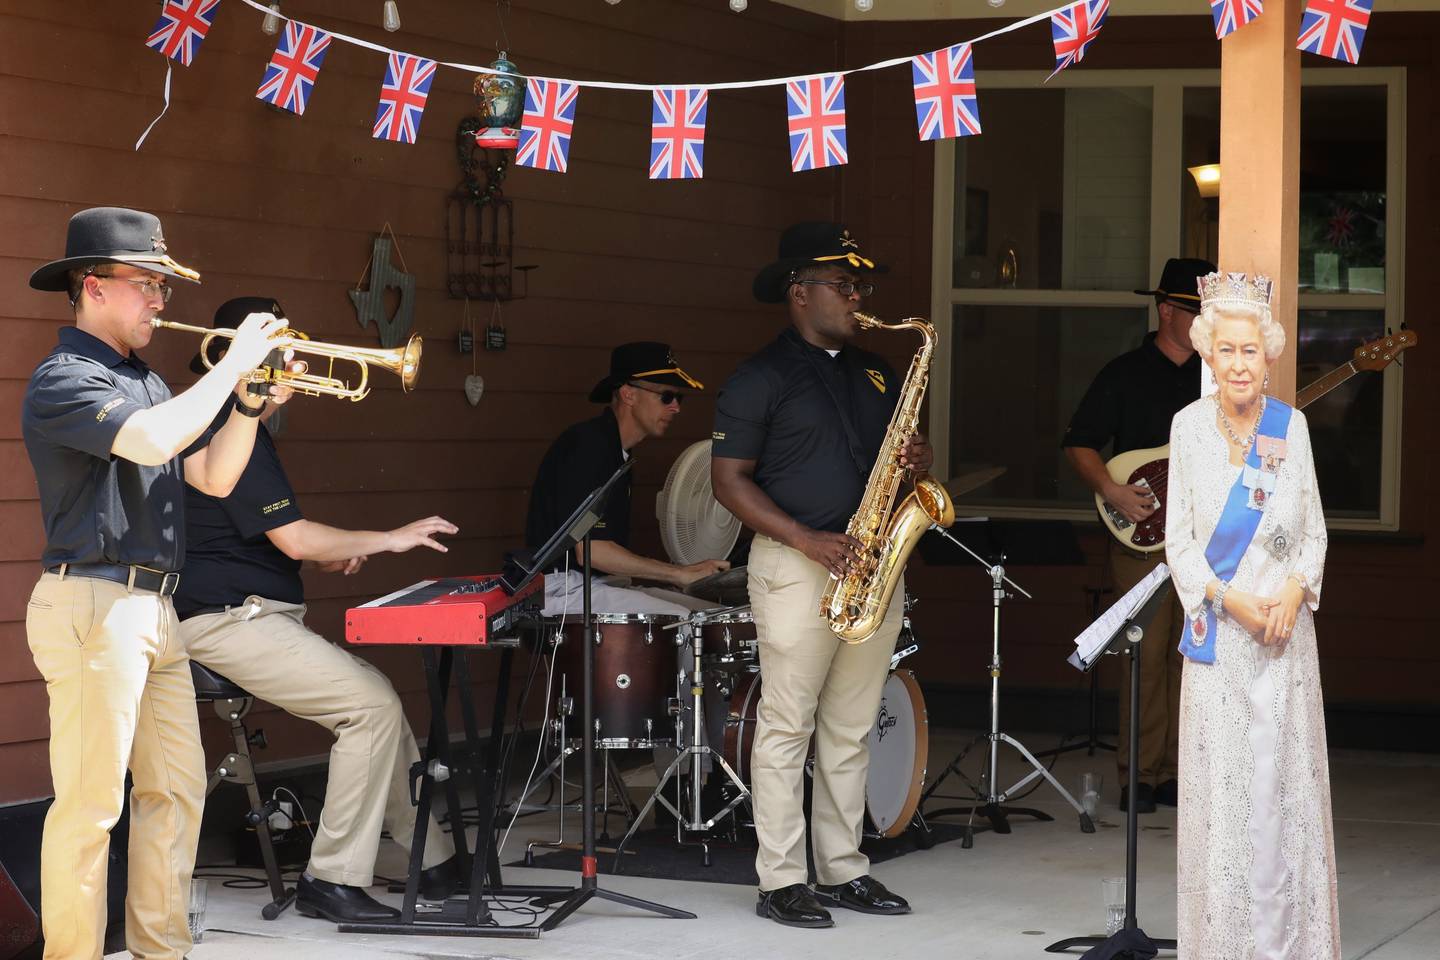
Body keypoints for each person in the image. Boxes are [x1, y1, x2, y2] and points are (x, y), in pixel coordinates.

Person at [22, 207, 289, 960]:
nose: (161, 302)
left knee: (176, 791)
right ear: (93, 286)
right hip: (94, 602)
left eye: (164, 288)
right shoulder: (64, 379)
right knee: (90, 806)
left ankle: (159, 949)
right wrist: (232, 364)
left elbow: (209, 473)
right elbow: (149, 439)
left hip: (154, 608)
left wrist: (245, 405)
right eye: (149, 285)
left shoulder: (145, 379)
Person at [173, 297, 462, 924]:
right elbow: (298, 539)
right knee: (370, 706)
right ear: (242, 354)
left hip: (250, 608)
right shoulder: (227, 422)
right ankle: (330, 880)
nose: (299, 361)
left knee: (377, 698)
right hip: (227, 618)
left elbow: (271, 539)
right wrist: (388, 538)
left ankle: (431, 860)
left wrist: (336, 552)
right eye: (285, 347)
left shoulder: (234, 424)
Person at [711, 221, 930, 928]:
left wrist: (911, 467)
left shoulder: (876, 372)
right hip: (796, 563)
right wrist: (805, 537)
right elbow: (727, 481)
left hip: (871, 562)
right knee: (787, 725)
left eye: (861, 286)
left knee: (851, 724)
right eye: (844, 285)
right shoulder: (758, 377)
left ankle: (842, 869)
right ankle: (780, 879)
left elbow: (886, 463)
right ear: (798, 293)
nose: (858, 297)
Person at [1165, 270, 1339, 957]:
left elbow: (1316, 532)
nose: (1239, 363)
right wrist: (1229, 597)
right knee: (1226, 804)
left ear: (1268, 356)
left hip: (1285, 642)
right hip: (1221, 641)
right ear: (1208, 353)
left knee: (1283, 796)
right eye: (1226, 350)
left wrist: (1293, 597)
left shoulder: (1288, 428)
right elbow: (1178, 539)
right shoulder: (1186, 430)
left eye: (1250, 350)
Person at [1061, 256, 1215, 813]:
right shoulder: (1124, 373)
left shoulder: (1218, 375)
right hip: (1141, 536)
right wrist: (1112, 489)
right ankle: (1140, 775)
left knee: (1193, 657)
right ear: (1167, 309)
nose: (1205, 322)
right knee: (1145, 655)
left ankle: (1180, 772)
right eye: (1196, 310)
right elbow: (1080, 442)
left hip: (1205, 537)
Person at [523, 341, 727, 616]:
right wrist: (678, 574)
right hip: (562, 588)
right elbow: (592, 550)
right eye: (667, 397)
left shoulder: (616, 450)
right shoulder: (589, 446)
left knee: (713, 614)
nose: (676, 407)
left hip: (598, 585)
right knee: (685, 621)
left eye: (680, 398)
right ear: (629, 394)